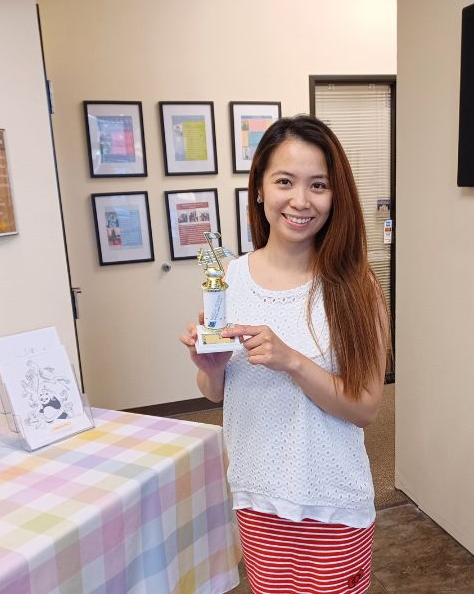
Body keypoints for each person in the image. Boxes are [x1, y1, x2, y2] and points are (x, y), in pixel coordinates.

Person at [179, 115, 390, 594]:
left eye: (318, 185)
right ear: (259, 189)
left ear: (336, 196)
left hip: (331, 503)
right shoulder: (229, 280)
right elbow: (216, 395)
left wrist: (291, 360)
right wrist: (209, 371)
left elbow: (366, 408)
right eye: (284, 182)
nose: (301, 200)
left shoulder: (356, 287)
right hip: (257, 498)